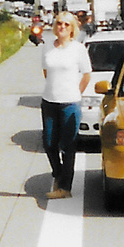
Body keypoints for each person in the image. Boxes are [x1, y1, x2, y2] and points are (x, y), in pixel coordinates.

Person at [40, 11, 92, 200]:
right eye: (59, 23)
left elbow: (86, 75)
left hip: (70, 103)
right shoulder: (47, 47)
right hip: (49, 101)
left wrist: (75, 93)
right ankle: (59, 173)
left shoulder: (78, 49)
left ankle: (65, 188)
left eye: (66, 24)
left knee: (68, 145)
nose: (62, 27)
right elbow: (46, 71)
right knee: (48, 143)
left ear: (72, 29)